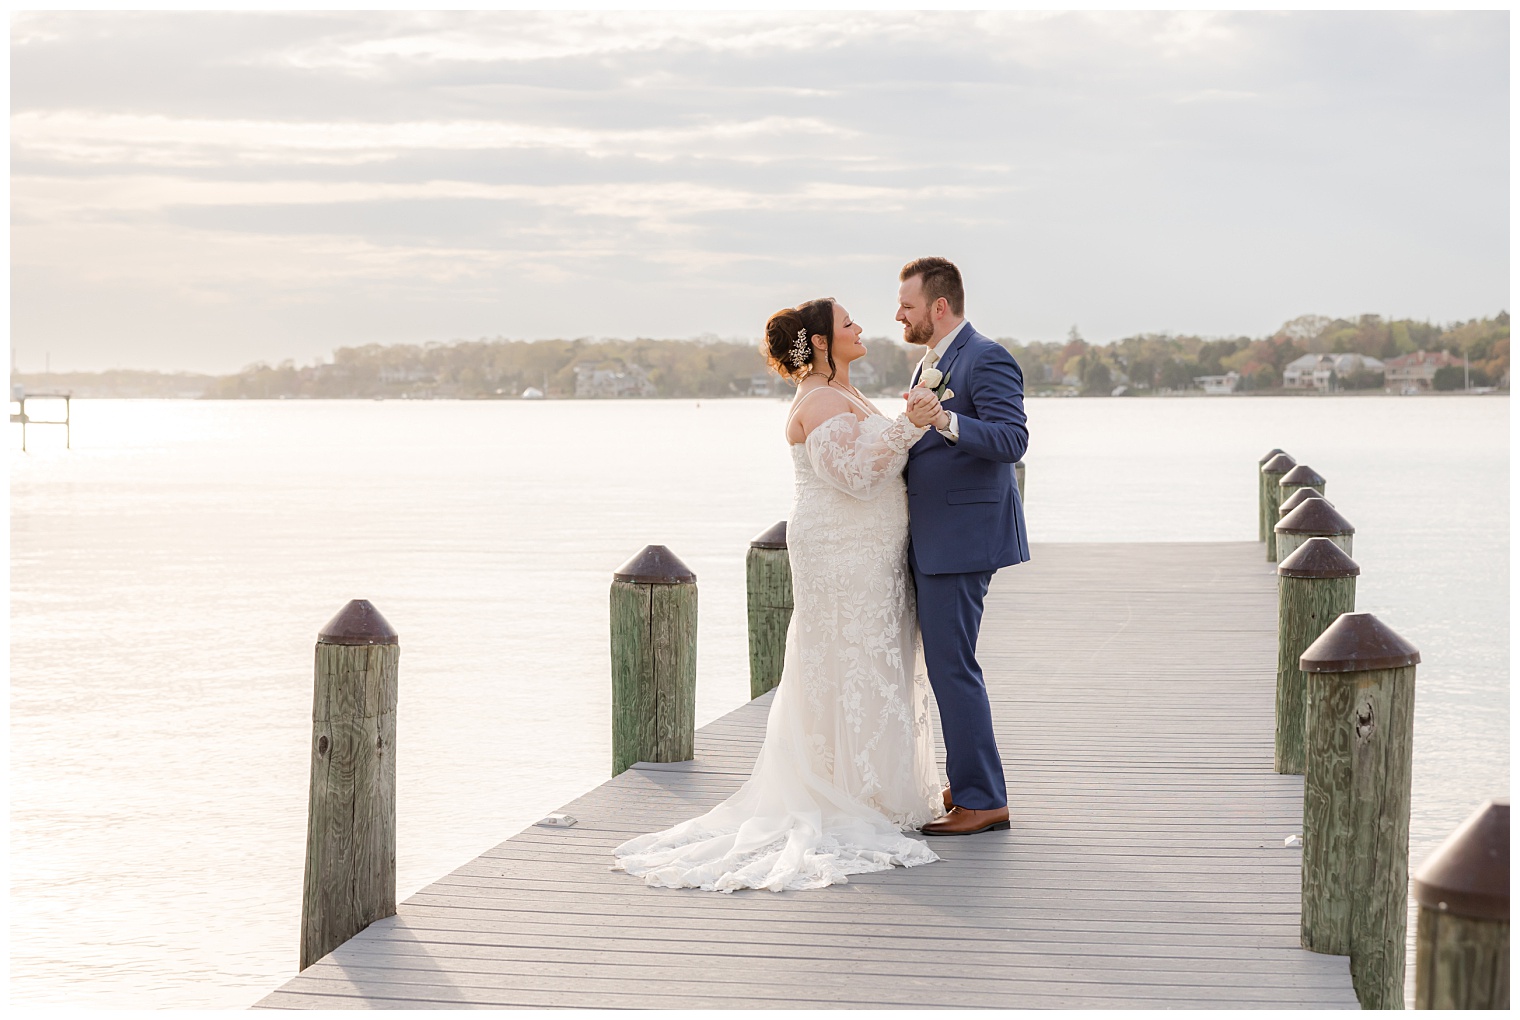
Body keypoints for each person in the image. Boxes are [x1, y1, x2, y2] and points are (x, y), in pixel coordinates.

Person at [612, 296, 948, 892]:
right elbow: (854, 474)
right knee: (850, 658)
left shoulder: (845, 393)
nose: (860, 327)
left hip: (871, 548)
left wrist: (910, 424)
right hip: (841, 551)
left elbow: (877, 460)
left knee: (874, 659)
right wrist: (909, 424)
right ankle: (847, 790)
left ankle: (873, 786)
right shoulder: (818, 400)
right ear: (819, 342)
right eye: (847, 323)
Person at [896, 256, 1029, 837]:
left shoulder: (986, 356)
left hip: (962, 540)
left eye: (907, 304)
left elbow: (1011, 439)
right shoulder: (935, 360)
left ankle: (983, 798)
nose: (899, 313)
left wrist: (946, 421)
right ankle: (970, 781)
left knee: (954, 669)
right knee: (949, 666)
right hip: (937, 538)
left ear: (939, 307)